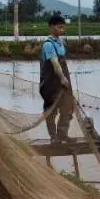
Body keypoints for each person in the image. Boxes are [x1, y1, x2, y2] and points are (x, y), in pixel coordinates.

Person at [40, 14, 73, 142]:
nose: (61, 30)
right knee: (51, 111)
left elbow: (62, 63)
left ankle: (62, 134)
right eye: (59, 27)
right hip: (50, 84)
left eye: (63, 27)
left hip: (63, 80)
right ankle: (54, 137)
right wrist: (62, 78)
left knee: (68, 109)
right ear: (51, 27)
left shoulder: (60, 42)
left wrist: (65, 79)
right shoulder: (48, 45)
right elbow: (55, 64)